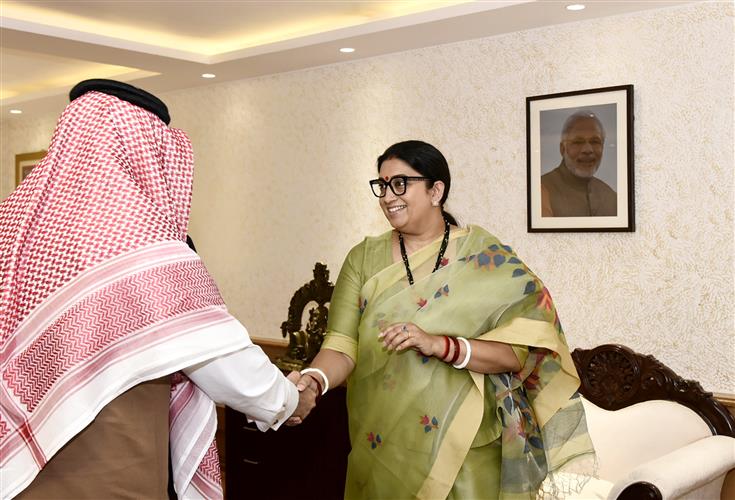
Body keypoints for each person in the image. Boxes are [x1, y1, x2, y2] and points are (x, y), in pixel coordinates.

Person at [0, 80, 316, 499]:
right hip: (110, 478)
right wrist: (289, 400)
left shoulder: (11, 228)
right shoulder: (143, 246)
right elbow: (219, 359)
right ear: (141, 150)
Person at [291, 140, 595, 499]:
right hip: (383, 445)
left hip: (467, 448)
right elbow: (341, 346)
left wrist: (441, 345)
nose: (389, 196)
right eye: (382, 185)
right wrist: (313, 380)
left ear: (436, 190)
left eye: (400, 183)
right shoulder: (362, 258)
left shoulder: (484, 258)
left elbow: (521, 353)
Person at [541, 111, 617, 217]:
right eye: (578, 142)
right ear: (563, 149)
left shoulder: (611, 198)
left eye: (595, 142)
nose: (588, 150)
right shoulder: (542, 191)